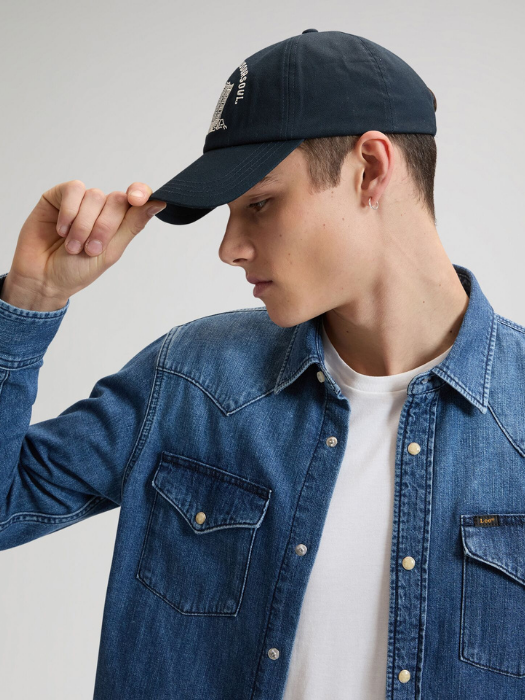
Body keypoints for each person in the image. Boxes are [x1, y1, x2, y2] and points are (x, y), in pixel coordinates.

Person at [1, 28, 523, 700]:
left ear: (370, 169)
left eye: (260, 204)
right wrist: (30, 300)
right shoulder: (190, 380)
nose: (229, 248)